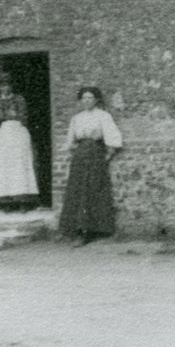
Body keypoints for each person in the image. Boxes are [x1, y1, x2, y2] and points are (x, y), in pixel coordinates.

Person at [59, 86, 122, 245]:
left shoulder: (103, 116)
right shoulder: (77, 118)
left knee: (92, 190)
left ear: (96, 100)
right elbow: (70, 141)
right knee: (77, 191)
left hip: (95, 154)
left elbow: (113, 138)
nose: (87, 101)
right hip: (80, 156)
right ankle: (75, 229)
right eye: (84, 98)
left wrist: (108, 155)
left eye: (90, 98)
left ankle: (90, 231)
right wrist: (75, 152)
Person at [0, 76, 39, 211]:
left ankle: (23, 200)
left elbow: (23, 116)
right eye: (1, 86)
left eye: (7, 85)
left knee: (20, 164)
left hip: (18, 131)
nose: (4, 88)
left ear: (11, 87)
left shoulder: (19, 99)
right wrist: (1, 123)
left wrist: (14, 118)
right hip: (4, 134)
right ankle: (6, 201)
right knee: (5, 165)